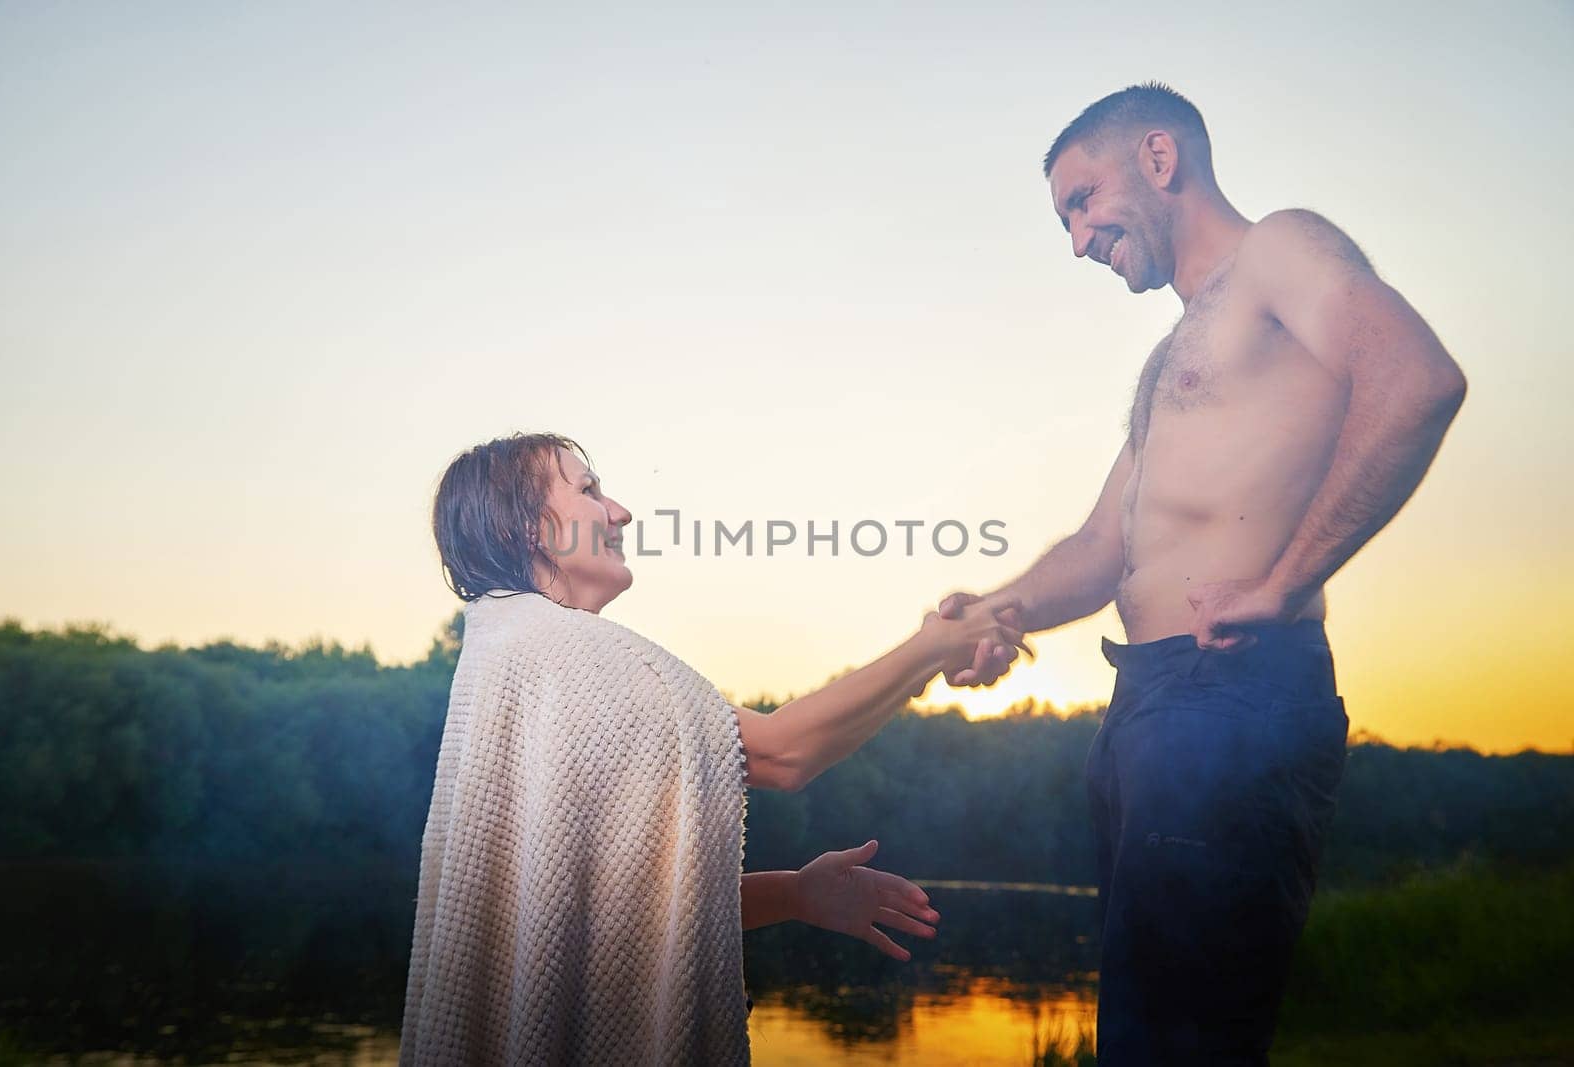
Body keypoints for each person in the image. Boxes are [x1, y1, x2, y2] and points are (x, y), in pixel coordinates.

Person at [939, 83, 1467, 1065]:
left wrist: (1282, 582)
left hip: (1231, 696)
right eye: (1065, 217)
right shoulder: (1172, 355)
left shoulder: (1280, 249)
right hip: (1147, 706)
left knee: (1184, 1042)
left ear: (1157, 156)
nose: (1078, 237)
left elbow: (1417, 378)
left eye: (1082, 199)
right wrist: (999, 608)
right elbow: (1104, 546)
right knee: (1145, 1030)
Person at [400, 432, 1024, 1067]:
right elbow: (783, 753)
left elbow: (610, 917)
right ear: (524, 528)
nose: (620, 512)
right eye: (587, 490)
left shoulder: (510, 657)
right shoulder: (567, 657)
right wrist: (933, 649)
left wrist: (796, 896)